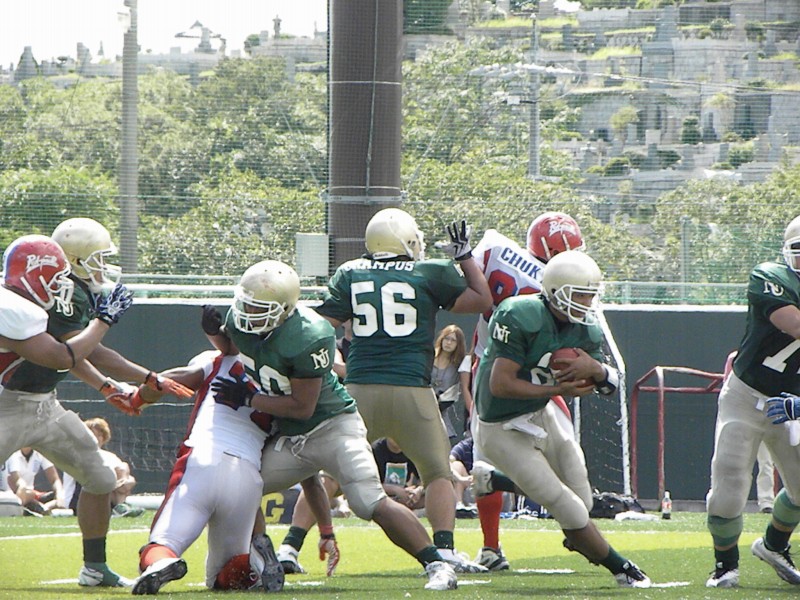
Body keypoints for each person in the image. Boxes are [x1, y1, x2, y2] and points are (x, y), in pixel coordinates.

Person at [202, 259, 460, 590]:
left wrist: (251, 399)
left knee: (368, 501)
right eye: (248, 304)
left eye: (260, 308)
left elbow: (302, 406)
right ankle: (262, 559)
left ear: (285, 309)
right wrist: (214, 334)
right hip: (293, 438)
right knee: (238, 489)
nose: (250, 313)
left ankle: (438, 565)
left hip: (333, 428)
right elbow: (234, 345)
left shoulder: (308, 334)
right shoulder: (243, 320)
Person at [315, 209, 493, 573]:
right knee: (438, 472)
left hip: (360, 388)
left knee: (330, 472)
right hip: (412, 389)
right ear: (407, 241)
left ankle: (291, 546)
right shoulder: (428, 272)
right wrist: (465, 257)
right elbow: (481, 300)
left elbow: (320, 324)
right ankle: (444, 550)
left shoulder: (350, 272)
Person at [471, 250, 651, 588]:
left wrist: (595, 369)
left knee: (582, 498)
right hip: (499, 425)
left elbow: (609, 386)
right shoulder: (518, 314)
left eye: (590, 295)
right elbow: (500, 384)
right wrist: (557, 389)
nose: (586, 303)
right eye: (579, 294)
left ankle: (494, 481)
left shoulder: (585, 329)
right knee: (565, 505)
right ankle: (622, 568)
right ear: (555, 290)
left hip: (540, 412)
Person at [0, 233, 135, 587]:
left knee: (101, 477)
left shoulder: (35, 307)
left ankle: (95, 568)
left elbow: (73, 354)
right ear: (36, 276)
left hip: (44, 406)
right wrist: (103, 321)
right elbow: (63, 357)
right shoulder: (9, 307)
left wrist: (108, 384)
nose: (62, 286)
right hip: (5, 408)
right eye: (56, 278)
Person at [469, 211, 584, 570]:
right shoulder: (560, 284)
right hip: (533, 376)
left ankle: (491, 545)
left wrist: (463, 257)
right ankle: (492, 544)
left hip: (488, 370)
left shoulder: (495, 251)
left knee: (489, 463)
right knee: (564, 468)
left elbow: (468, 287)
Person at [125, 350, 294, 594]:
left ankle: (161, 563)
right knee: (227, 574)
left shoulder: (220, 360)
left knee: (162, 545)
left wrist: (137, 398)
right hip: (247, 475)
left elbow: (168, 381)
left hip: (203, 459)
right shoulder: (287, 380)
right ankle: (255, 564)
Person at [706, 214, 800, 588]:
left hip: (792, 403)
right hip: (747, 395)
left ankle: (773, 546)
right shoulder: (770, 276)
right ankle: (725, 564)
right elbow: (794, 323)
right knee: (730, 480)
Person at [62, 417, 143, 517]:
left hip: (106, 495)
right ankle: (121, 506)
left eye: (99, 435)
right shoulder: (77, 455)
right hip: (78, 501)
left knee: (124, 471)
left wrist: (125, 481)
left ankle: (120, 506)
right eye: (92, 435)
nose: (96, 438)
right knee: (106, 479)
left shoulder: (110, 456)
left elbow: (125, 474)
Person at [431, 325, 472, 443]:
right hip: (422, 404)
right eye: (446, 338)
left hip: (442, 410)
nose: (448, 343)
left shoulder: (460, 364)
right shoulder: (429, 357)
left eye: (453, 340)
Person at [6, 447, 65, 515]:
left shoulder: (40, 452)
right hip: (15, 494)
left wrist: (60, 495)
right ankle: (40, 508)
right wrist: (24, 488)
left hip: (32, 494)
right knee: (28, 493)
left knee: (59, 496)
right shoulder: (13, 453)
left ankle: (41, 508)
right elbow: (15, 480)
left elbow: (54, 479)